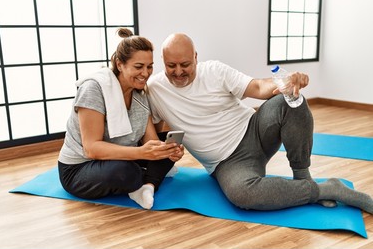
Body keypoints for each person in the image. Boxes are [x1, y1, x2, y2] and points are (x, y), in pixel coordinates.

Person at [147, 33, 373, 214]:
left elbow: (257, 87)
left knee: (291, 99)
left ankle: (302, 176)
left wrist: (287, 83)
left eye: (185, 64)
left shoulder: (214, 71)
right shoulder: (155, 89)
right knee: (244, 196)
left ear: (196, 56)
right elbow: (158, 130)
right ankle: (328, 189)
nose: (178, 72)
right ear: (163, 63)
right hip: (226, 164)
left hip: (255, 130)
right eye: (171, 66)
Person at [58, 28, 184, 210]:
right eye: (139, 67)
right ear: (119, 64)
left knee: (168, 143)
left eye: (149, 66)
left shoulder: (140, 93)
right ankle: (147, 177)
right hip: (80, 168)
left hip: (122, 156)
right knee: (126, 173)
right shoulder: (93, 89)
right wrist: (143, 154)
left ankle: (147, 187)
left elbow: (150, 140)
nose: (146, 73)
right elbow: (92, 148)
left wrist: (166, 152)